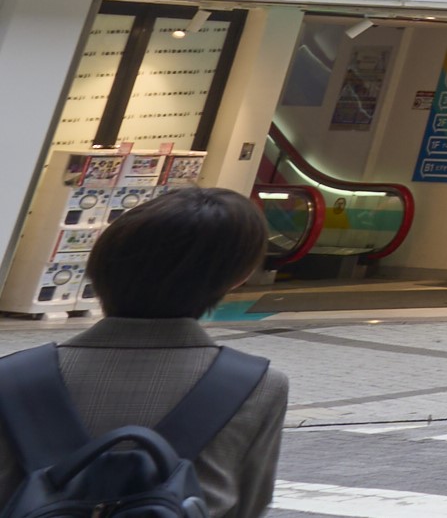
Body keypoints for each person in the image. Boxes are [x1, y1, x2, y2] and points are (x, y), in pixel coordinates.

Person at [0, 189, 289, 518]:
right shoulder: (257, 384)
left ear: (98, 267)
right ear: (238, 278)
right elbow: (249, 506)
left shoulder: (15, 377)